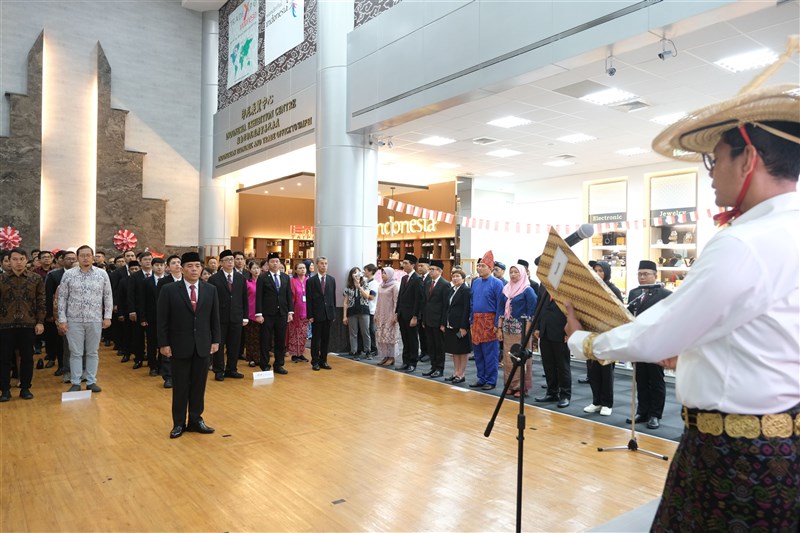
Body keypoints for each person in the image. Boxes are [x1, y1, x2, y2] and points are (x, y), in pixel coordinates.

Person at [565, 78, 799, 530]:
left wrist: (584, 342)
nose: (709, 172)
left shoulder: (744, 242)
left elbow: (659, 333)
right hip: (779, 444)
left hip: (734, 456)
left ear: (748, 158)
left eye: (715, 158)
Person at [158, 252, 220, 439]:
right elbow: (162, 319)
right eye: (190, 266)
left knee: (199, 385)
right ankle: (178, 423)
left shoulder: (210, 290)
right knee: (181, 386)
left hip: (202, 344)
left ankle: (195, 419)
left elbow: (214, 318)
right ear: (181, 268)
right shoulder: (169, 289)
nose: (194, 269)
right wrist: (164, 344)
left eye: (197, 266)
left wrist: (216, 340)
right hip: (179, 345)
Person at [620, 260, 672, 429]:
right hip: (638, 343)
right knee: (640, 378)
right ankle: (642, 411)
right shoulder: (635, 293)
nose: (642, 277)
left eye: (646, 274)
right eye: (639, 274)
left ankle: (655, 414)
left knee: (656, 379)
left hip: (657, 343)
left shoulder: (665, 294)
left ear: (655, 276)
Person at [58, 245, 113, 394]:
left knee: (92, 352)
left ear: (93, 257)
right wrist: (62, 319)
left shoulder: (102, 274)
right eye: (82, 255)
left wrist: (107, 316)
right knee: (75, 352)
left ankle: (91, 381)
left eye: (88, 255)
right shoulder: (68, 275)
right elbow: (62, 298)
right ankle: (75, 382)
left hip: (95, 319)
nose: (85, 258)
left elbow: (108, 296)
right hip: (73, 320)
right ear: (77, 257)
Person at [0, 248, 45, 401]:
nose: (18, 262)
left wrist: (40, 321)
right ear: (9, 261)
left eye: (21, 259)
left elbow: (41, 302)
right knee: (4, 358)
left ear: (26, 260)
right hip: (5, 324)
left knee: (27, 357)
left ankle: (25, 388)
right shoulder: (2, 279)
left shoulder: (36, 279)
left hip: (28, 324)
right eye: (14, 259)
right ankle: (5, 390)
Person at [583, 260, 624, 416]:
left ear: (606, 272)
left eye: (600, 270)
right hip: (591, 335)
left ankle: (607, 403)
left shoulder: (613, 290)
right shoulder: (590, 290)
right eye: (595, 270)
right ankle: (596, 401)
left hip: (607, 335)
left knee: (606, 371)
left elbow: (619, 313)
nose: (598, 273)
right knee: (593, 371)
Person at [498, 264, 537, 398]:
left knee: (522, 358)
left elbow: (532, 311)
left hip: (522, 329)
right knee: (509, 358)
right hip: (508, 328)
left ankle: (522, 387)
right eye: (511, 272)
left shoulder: (527, 290)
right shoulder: (506, 289)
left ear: (523, 274)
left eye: (516, 272)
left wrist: (528, 329)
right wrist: (499, 328)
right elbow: (501, 310)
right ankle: (510, 385)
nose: (513, 275)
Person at [208, 249, 248, 381]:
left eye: (232, 259)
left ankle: (232, 369)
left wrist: (245, 316)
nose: (231, 262)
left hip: (236, 317)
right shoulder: (214, 279)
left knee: (234, 345)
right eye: (227, 260)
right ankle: (219, 370)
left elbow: (244, 299)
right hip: (220, 318)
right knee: (219, 345)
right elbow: (211, 301)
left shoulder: (241, 278)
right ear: (221, 263)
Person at [469, 251, 504, 390]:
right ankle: (481, 377)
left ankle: (491, 380)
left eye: (482, 266)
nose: (479, 268)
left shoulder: (497, 283)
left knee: (490, 353)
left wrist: (497, 324)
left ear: (490, 268)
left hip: (490, 321)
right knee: (478, 352)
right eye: (478, 266)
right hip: (477, 320)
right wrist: (471, 320)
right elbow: (472, 302)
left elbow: (500, 305)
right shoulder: (475, 282)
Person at [255, 252, 293, 374]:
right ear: (268, 264)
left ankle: (279, 364)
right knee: (265, 340)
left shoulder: (285, 277)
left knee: (280, 340)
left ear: (280, 263)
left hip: (282, 313)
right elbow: (259, 297)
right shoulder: (262, 277)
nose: (275, 263)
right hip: (267, 314)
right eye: (272, 261)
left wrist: (290, 312)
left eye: (277, 261)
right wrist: (259, 313)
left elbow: (288, 296)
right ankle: (265, 365)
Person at [156, 254, 183, 388]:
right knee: (168, 348)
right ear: (168, 267)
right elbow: (160, 304)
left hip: (185, 320)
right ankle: (168, 376)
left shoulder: (188, 280)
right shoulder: (164, 282)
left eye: (179, 262)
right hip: (170, 319)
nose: (177, 265)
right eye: (174, 263)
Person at [421, 259, 449, 378]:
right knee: (431, 345)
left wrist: (443, 323)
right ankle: (433, 367)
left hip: (438, 321)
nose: (430, 271)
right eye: (430, 269)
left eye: (432, 270)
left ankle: (439, 368)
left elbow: (445, 305)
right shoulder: (427, 283)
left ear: (440, 271)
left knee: (439, 346)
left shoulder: (445, 284)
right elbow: (425, 302)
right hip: (428, 319)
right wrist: (423, 319)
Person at [137, 256, 166, 377]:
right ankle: (152, 366)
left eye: (161, 265)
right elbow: (142, 301)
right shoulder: (146, 281)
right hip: (151, 317)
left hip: (164, 318)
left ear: (165, 267)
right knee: (151, 342)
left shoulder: (167, 281)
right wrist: (143, 318)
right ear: (152, 267)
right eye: (157, 265)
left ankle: (161, 365)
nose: (159, 268)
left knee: (163, 342)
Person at [442, 268, 471, 384]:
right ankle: (455, 372)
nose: (455, 278)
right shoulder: (451, 289)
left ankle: (461, 373)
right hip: (451, 325)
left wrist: (464, 327)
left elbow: (466, 309)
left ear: (463, 278)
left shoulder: (465, 290)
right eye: (453, 276)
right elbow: (447, 307)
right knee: (454, 350)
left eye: (457, 276)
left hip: (460, 326)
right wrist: (444, 323)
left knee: (462, 350)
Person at [306, 256, 335, 371]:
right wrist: (310, 315)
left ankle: (324, 361)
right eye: (322, 263)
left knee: (326, 339)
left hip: (328, 314)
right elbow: (309, 299)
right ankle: (315, 361)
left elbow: (332, 298)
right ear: (317, 265)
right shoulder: (311, 281)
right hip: (316, 315)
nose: (324, 266)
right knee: (316, 339)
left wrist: (332, 313)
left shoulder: (332, 280)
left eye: (326, 263)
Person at [343, 266, 373, 358]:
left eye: (358, 273)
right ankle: (354, 352)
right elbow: (345, 302)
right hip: (352, 311)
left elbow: (366, 296)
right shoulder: (348, 287)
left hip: (364, 310)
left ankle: (368, 351)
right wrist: (344, 316)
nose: (356, 275)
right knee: (353, 333)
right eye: (354, 273)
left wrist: (359, 287)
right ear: (351, 275)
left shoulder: (365, 284)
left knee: (365, 332)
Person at [374, 266, 400, 367]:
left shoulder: (395, 286)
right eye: (382, 273)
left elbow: (396, 301)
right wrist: (376, 314)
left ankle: (391, 357)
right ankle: (385, 356)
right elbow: (378, 301)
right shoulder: (381, 286)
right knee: (382, 336)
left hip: (390, 314)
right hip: (381, 314)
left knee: (390, 337)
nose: (383, 275)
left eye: (384, 273)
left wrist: (395, 315)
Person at [286, 261, 309, 363]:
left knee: (303, 333)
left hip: (306, 310)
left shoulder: (309, 280)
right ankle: (294, 354)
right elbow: (290, 297)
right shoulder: (292, 281)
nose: (302, 269)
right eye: (300, 268)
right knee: (294, 332)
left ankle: (301, 353)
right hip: (295, 310)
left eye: (304, 268)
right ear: (295, 270)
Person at [243, 260, 261, 368]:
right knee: (251, 337)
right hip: (250, 312)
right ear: (249, 270)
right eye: (254, 268)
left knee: (260, 337)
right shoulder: (247, 282)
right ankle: (251, 358)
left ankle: (259, 357)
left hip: (262, 313)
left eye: (258, 268)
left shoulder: (263, 281)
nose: (256, 270)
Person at [363, 264, 379, 356]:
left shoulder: (374, 284)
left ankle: (374, 348)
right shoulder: (366, 282)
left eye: (365, 270)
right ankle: (368, 347)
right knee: (367, 329)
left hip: (371, 309)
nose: (364, 272)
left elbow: (371, 297)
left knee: (371, 329)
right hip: (365, 309)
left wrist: (362, 293)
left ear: (370, 271)